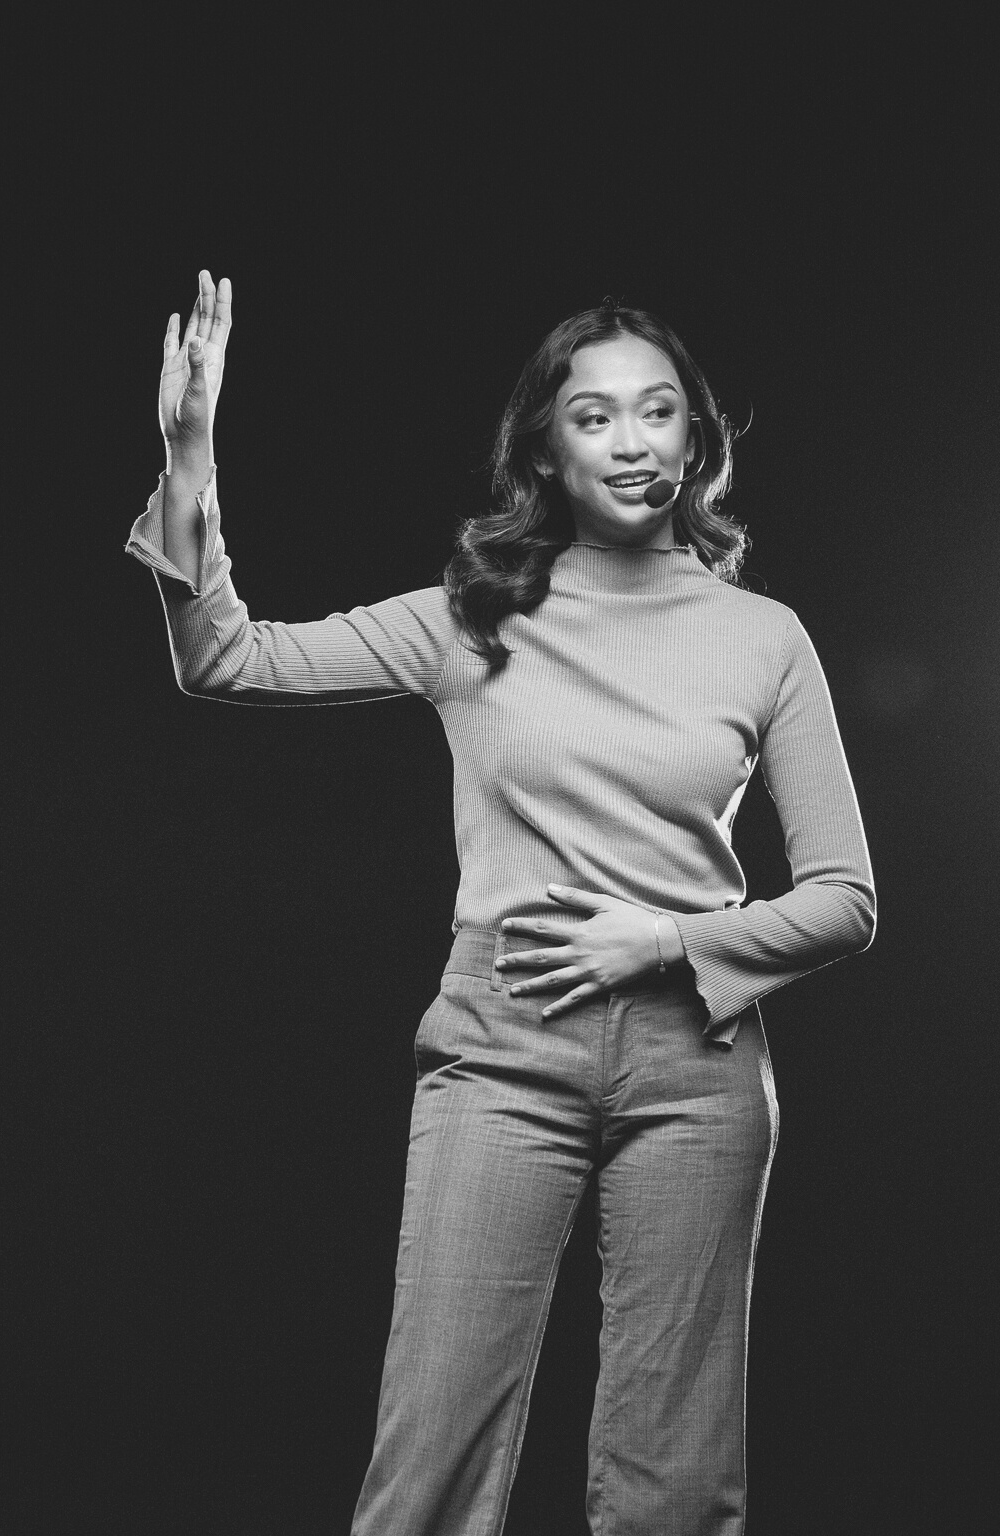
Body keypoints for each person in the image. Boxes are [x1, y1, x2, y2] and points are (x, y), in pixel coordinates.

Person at [126, 270, 876, 1536]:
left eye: (659, 414)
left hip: (696, 1063)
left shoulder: (765, 637)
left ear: (698, 436)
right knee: (431, 1473)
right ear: (545, 445)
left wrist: (670, 938)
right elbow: (224, 658)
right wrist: (189, 454)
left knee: (678, 1489)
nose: (633, 444)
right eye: (595, 417)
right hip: (504, 1045)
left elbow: (849, 901)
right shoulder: (471, 621)